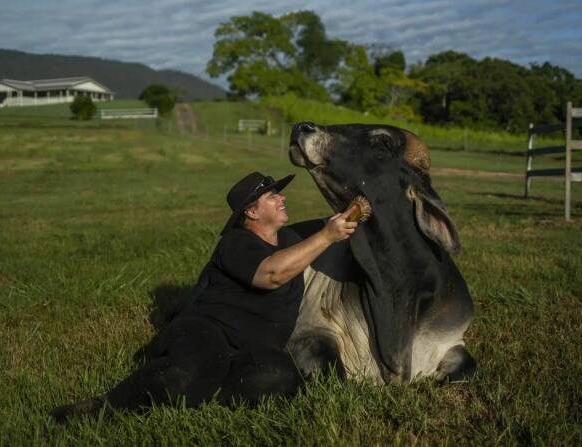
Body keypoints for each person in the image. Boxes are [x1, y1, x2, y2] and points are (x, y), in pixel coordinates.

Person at [50, 172, 357, 422]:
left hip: (253, 349)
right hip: (208, 331)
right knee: (187, 374)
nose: (282, 198)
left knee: (281, 378)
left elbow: (337, 222)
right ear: (251, 212)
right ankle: (103, 407)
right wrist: (327, 236)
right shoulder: (236, 243)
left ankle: (200, 395)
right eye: (272, 196)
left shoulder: (290, 239)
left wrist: (357, 211)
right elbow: (272, 275)